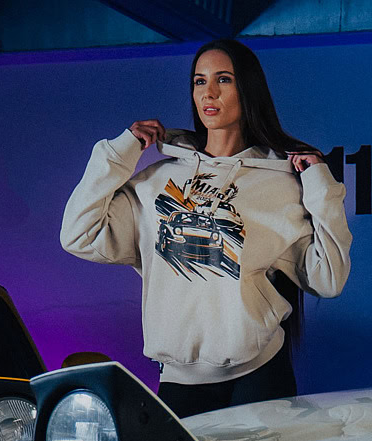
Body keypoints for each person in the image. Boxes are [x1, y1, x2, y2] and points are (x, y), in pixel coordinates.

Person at [60, 38, 351, 418]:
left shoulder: (280, 185)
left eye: (224, 80)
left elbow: (328, 279)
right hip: (180, 379)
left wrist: (320, 189)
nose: (209, 92)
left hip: (259, 374)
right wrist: (119, 153)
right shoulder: (155, 182)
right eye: (199, 81)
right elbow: (77, 235)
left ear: (247, 90)